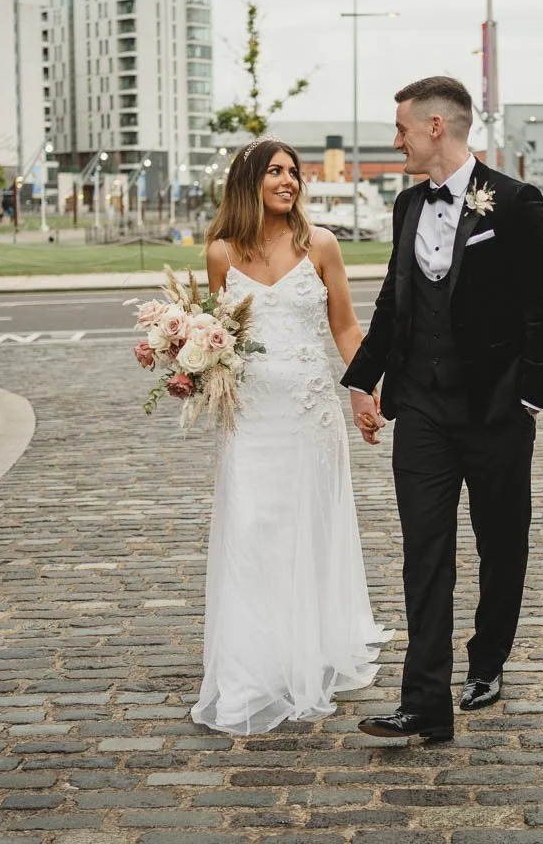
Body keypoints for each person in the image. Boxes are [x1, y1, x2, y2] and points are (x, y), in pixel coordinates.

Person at [342, 76, 543, 742]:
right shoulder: (407, 204)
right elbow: (395, 300)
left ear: (435, 127)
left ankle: (488, 660)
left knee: (501, 546)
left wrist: (528, 397)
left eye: (401, 129)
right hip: (422, 408)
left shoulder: (516, 202)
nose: (396, 142)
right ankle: (423, 704)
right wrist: (362, 380)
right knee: (425, 553)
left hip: (496, 412)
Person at [194, 136, 391, 735]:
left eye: (293, 172)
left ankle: (310, 643)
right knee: (252, 528)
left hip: (310, 415)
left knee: (307, 528)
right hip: (250, 418)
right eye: (275, 172)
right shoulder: (221, 253)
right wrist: (190, 366)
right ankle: (253, 662)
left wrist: (365, 390)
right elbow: (214, 336)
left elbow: (346, 327)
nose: (288, 181)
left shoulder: (321, 245)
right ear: (248, 182)